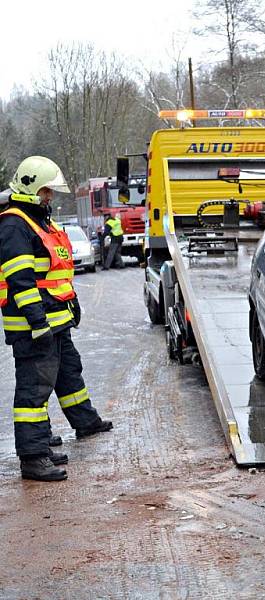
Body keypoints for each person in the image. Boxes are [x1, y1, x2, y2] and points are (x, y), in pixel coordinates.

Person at [0, 156, 113, 482]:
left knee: (67, 374)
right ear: (32, 188)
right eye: (47, 191)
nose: (51, 198)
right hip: (36, 326)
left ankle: (83, 421)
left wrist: (69, 305)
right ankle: (34, 457)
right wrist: (38, 323)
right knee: (33, 393)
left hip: (54, 321)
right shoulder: (14, 226)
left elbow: (53, 275)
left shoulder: (34, 221)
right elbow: (21, 281)